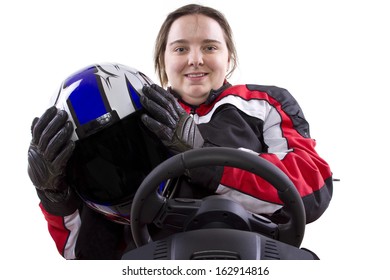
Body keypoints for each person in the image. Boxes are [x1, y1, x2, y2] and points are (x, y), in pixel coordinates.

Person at [27, 4, 333, 260]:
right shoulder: (131, 120)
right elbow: (84, 256)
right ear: (162, 60)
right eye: (181, 48)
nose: (195, 59)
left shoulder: (263, 103)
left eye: (210, 47)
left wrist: (202, 154)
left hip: (258, 259)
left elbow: (312, 188)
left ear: (230, 57)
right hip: (155, 265)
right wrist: (56, 197)